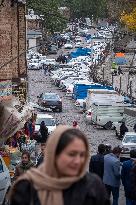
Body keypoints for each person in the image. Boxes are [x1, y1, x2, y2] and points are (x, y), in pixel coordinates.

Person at [10, 125, 110, 205]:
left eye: (82, 155)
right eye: (72, 154)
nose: (78, 161)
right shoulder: (26, 188)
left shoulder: (93, 186)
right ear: (55, 153)